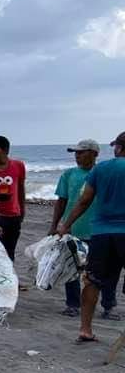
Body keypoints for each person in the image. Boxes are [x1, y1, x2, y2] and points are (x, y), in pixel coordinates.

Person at [57, 131, 125, 342]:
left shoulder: (102, 169)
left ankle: (85, 329)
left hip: (102, 233)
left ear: (119, 148)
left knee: (92, 280)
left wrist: (66, 224)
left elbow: (85, 200)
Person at [0, 135, 26, 261]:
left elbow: (20, 188)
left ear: (6, 150)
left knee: (10, 250)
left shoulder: (18, 165)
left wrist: (22, 210)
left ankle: (8, 278)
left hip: (14, 215)